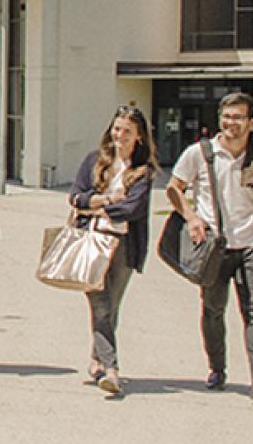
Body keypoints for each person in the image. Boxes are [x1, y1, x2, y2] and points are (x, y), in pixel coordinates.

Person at [166, 92, 253, 405]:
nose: (231, 123)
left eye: (238, 117)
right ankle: (217, 369)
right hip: (215, 247)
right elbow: (174, 188)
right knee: (213, 311)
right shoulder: (200, 153)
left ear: (252, 122)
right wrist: (192, 217)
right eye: (227, 117)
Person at [69, 106, 158, 395]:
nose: (119, 135)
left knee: (111, 306)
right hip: (92, 241)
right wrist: (108, 199)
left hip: (123, 246)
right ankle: (111, 370)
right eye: (117, 128)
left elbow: (132, 208)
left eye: (127, 131)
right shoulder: (94, 161)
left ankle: (96, 358)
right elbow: (76, 196)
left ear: (139, 137)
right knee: (101, 305)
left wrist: (95, 205)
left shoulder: (143, 172)